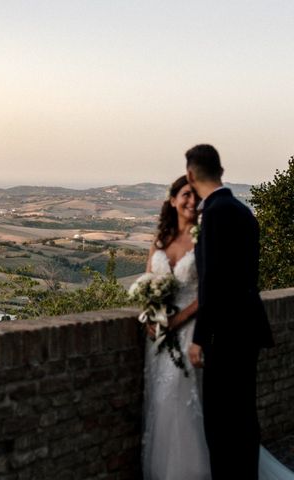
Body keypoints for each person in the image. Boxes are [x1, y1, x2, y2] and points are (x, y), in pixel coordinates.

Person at [185, 144, 274, 480]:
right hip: (248, 327)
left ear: (192, 175)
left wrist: (199, 338)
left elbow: (213, 282)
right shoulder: (241, 210)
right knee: (244, 417)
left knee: (221, 422)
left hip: (226, 333)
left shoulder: (216, 213)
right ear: (220, 171)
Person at [141, 175, 211, 480]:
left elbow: (209, 289)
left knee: (180, 400)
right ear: (172, 200)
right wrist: (150, 317)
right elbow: (149, 284)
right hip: (158, 336)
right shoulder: (160, 240)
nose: (191, 201)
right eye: (185, 195)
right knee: (159, 400)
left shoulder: (204, 238)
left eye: (196, 196)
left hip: (188, 332)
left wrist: (177, 321)